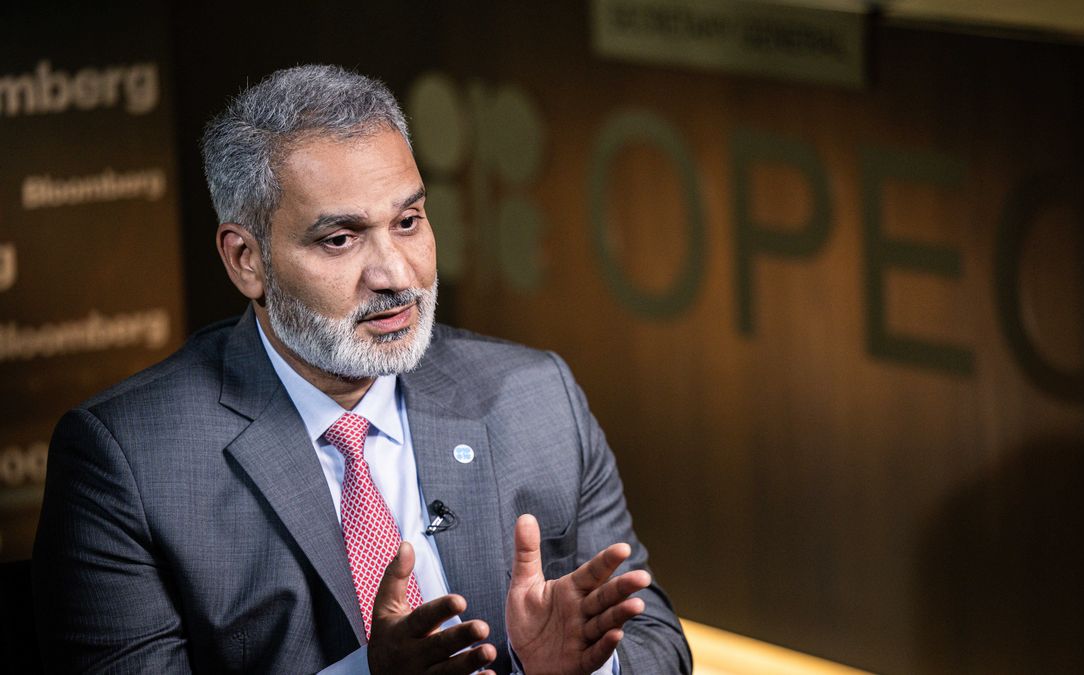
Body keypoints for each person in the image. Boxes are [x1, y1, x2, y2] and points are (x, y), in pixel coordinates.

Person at [33, 64, 691, 674]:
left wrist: (577, 666)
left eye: (408, 221)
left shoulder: (536, 397)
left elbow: (659, 640)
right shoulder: (126, 462)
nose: (396, 276)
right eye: (340, 239)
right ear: (246, 260)